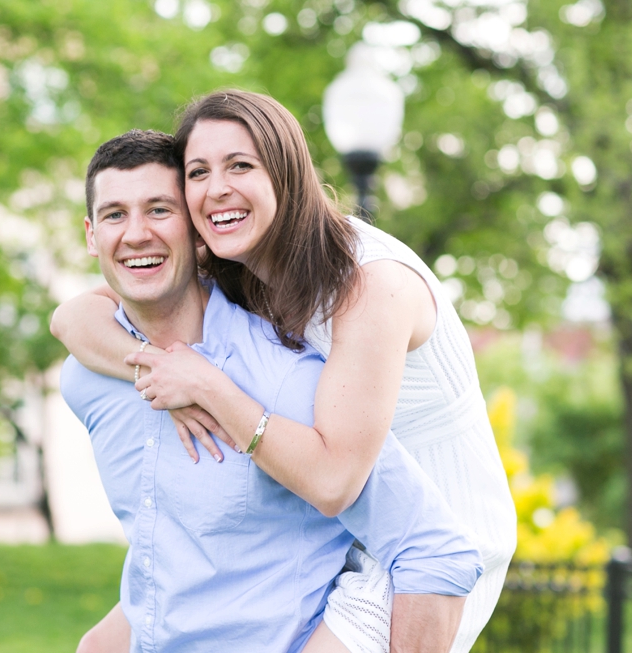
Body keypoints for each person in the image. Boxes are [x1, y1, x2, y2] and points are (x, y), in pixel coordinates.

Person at [52, 92, 517, 653]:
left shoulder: (372, 286)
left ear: (287, 173)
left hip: (427, 534)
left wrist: (204, 384)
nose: (217, 187)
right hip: (339, 509)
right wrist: (159, 374)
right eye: (198, 172)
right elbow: (77, 315)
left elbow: (334, 483)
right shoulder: (232, 263)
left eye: (241, 165)